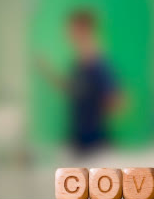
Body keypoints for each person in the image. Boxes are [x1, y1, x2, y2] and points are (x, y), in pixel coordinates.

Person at [37, 9, 119, 154]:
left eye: (73, 29)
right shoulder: (78, 63)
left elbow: (116, 101)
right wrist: (48, 73)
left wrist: (103, 104)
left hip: (95, 144)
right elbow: (73, 89)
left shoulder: (99, 63)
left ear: (85, 30)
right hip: (78, 140)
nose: (69, 34)